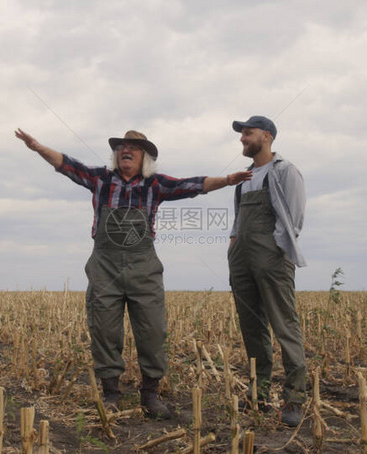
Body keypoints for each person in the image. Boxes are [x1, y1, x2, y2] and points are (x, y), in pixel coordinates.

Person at [15, 128, 251, 419]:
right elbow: (66, 164)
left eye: (134, 148)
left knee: (152, 330)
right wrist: (38, 147)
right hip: (105, 266)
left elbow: (195, 185)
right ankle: (111, 393)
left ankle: (150, 395)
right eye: (122, 147)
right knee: (104, 329)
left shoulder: (156, 185)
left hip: (144, 268)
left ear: (146, 157)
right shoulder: (101, 179)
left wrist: (227, 180)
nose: (126, 151)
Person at [227, 115, 308, 427]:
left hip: (272, 256)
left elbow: (295, 219)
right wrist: (234, 243)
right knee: (252, 326)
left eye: (248, 133)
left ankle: (294, 399)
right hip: (242, 257)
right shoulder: (245, 176)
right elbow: (238, 217)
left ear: (267, 136)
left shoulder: (285, 170)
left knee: (284, 325)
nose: (242, 139)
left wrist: (276, 247)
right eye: (242, 134)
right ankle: (258, 392)